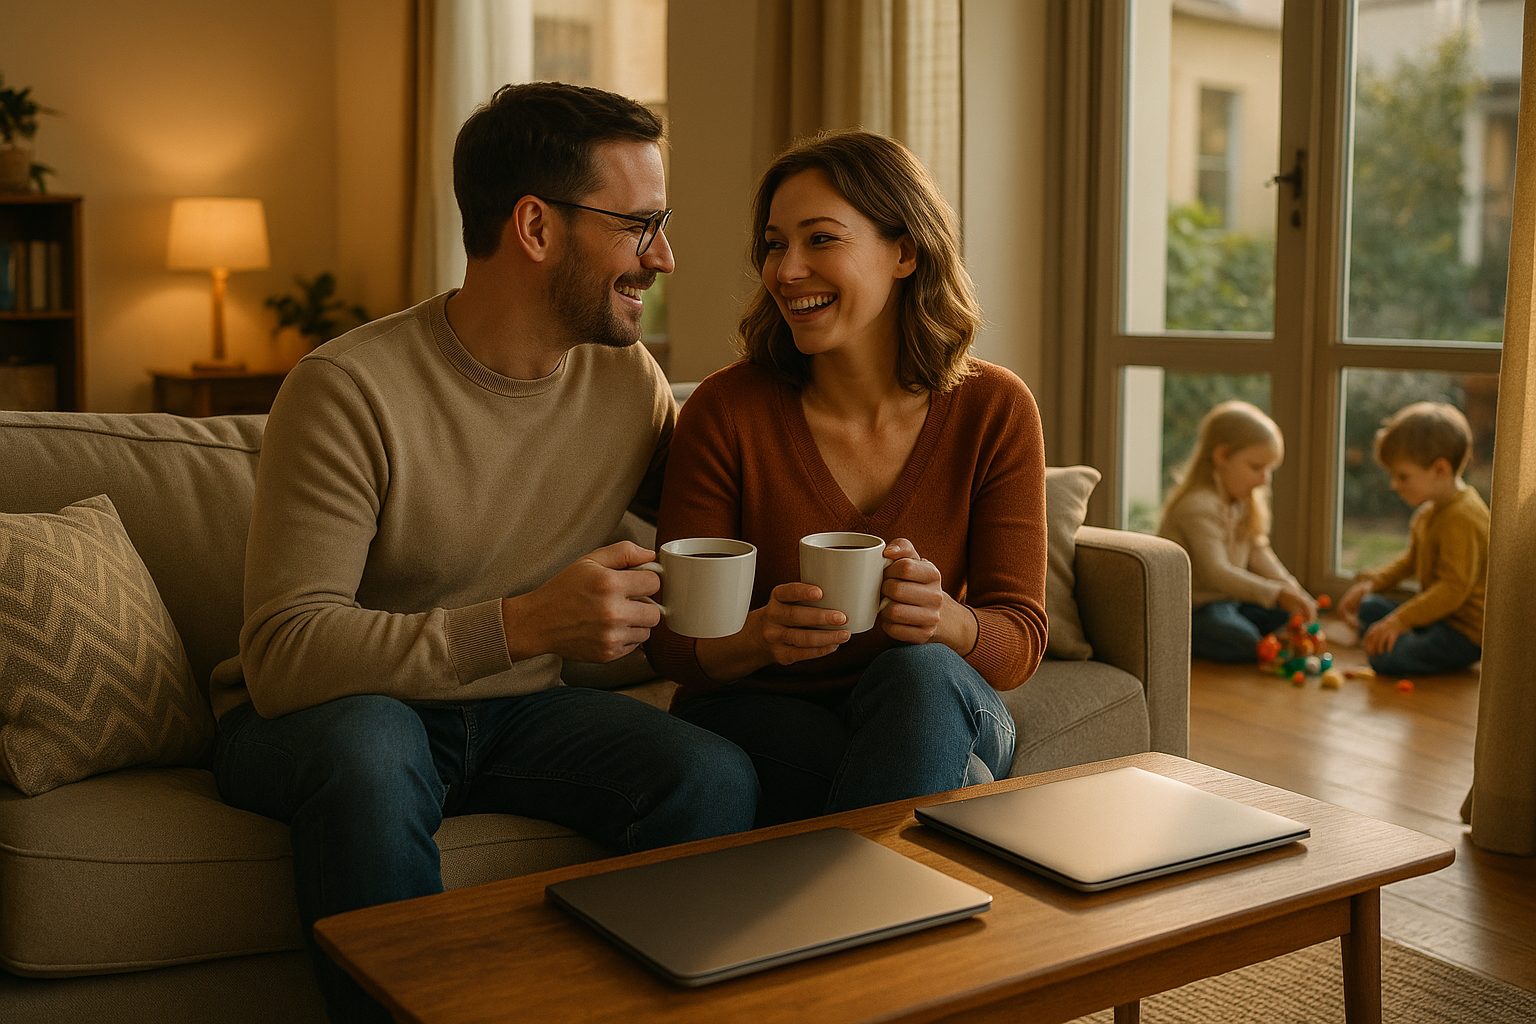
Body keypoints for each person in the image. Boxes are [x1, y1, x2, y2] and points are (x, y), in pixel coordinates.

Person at [210, 83, 758, 1023]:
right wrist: (521, 626)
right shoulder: (348, 390)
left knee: (711, 775)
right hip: (330, 718)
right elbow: (284, 654)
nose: (662, 256)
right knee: (373, 746)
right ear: (536, 226)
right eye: (639, 225)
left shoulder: (626, 380)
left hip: (515, 715)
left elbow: (726, 503)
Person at [646, 129, 1048, 828]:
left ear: (905, 251)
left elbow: (1017, 644)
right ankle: (900, 912)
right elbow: (673, 644)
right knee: (961, 776)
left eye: (820, 239)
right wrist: (759, 636)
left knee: (918, 677)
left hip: (936, 696)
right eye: (774, 244)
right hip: (761, 711)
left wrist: (947, 621)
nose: (786, 269)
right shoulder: (726, 412)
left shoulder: (995, 409)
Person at [1158, 400, 1319, 662]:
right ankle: (1193, 639)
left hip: (1231, 600)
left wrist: (1293, 591)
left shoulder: (1241, 503)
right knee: (1239, 638)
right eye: (1256, 467)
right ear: (1222, 456)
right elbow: (1217, 574)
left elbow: (1258, 552)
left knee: (1287, 614)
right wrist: (1276, 593)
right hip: (1196, 608)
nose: (1265, 479)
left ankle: (1263, 638)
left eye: (1268, 470)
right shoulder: (1196, 506)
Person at [1338, 401, 1487, 675]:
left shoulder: (1463, 518)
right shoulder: (1429, 512)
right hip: (1437, 618)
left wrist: (1398, 621)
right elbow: (1409, 561)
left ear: (1440, 469)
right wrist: (1371, 584)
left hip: (1463, 632)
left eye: (1402, 476)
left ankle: (1388, 642)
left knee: (1387, 659)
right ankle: (1384, 637)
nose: (1394, 485)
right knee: (1369, 607)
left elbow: (1452, 590)